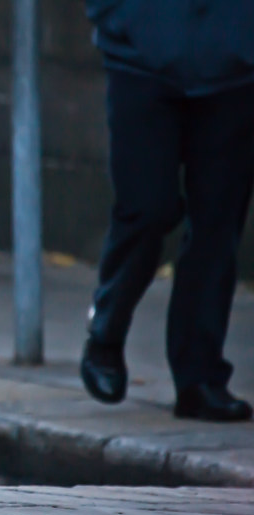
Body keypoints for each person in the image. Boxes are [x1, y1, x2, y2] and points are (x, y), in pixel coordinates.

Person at [79, 0, 254, 422]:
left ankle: (200, 378)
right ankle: (106, 330)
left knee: (218, 223)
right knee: (146, 209)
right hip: (140, 59)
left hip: (236, 67)